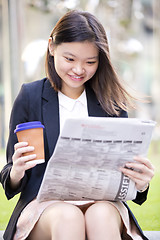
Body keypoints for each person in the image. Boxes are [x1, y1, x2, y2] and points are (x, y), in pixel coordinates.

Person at [0, 10, 154, 240]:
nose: (79, 70)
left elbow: (128, 179)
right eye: (69, 59)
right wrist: (18, 170)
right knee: (69, 217)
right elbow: (9, 179)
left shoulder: (111, 103)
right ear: (51, 47)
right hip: (47, 206)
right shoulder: (30, 96)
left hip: (102, 202)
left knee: (101, 215)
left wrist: (141, 183)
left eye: (90, 62)